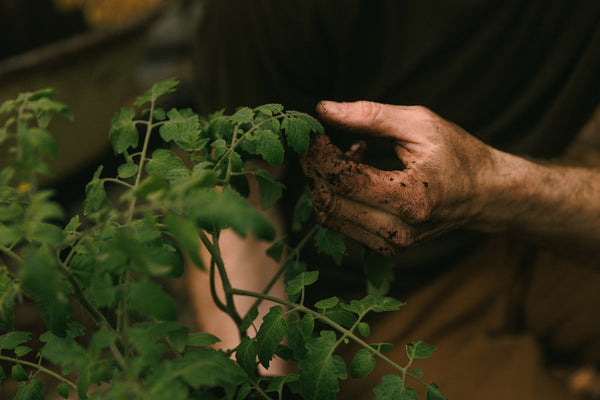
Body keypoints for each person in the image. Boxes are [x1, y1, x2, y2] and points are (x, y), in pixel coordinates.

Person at [187, 1, 600, 398]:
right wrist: (260, 384)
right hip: (371, 307)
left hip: (537, 216)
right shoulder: (268, 11)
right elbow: (237, 198)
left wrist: (494, 184)